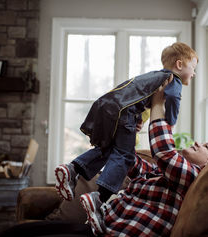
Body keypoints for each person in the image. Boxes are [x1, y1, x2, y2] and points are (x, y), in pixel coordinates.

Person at [0, 78, 208, 237]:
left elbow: (163, 151)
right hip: (104, 230)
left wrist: (158, 106)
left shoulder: (195, 178)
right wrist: (129, 128)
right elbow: (127, 159)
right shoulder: (159, 171)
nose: (200, 143)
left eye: (207, 147)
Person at [55, 42, 199, 218]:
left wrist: (136, 120)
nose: (194, 73)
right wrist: (171, 121)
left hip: (108, 106)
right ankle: (100, 198)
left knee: (109, 150)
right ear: (179, 65)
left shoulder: (156, 76)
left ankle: (73, 169)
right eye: (193, 67)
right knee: (125, 155)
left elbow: (135, 95)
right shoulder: (172, 80)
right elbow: (173, 98)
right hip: (123, 112)